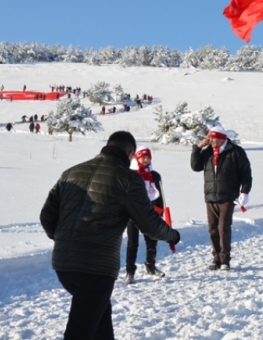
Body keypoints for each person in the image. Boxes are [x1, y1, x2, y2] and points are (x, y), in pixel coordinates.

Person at [40, 131, 180, 339]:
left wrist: (64, 240)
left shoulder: (71, 172)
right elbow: (149, 224)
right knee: (81, 331)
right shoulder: (128, 179)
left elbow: (46, 216)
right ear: (130, 153)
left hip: (63, 264)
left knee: (99, 320)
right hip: (95, 269)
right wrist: (172, 235)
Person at [190, 125, 252, 270]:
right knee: (212, 229)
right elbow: (195, 166)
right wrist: (197, 148)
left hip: (228, 195)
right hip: (211, 195)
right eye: (209, 137)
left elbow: (246, 173)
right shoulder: (208, 152)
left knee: (223, 228)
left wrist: (245, 191)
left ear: (221, 138)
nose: (210, 140)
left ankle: (225, 260)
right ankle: (216, 258)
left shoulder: (236, 151)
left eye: (213, 137)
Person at [125, 148, 167, 283]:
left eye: (148, 157)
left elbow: (160, 195)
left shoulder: (155, 175)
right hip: (133, 213)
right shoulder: (130, 175)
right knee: (132, 243)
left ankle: (151, 266)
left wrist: (160, 211)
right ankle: (130, 271)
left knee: (151, 240)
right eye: (143, 157)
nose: (146, 160)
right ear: (137, 159)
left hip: (150, 213)